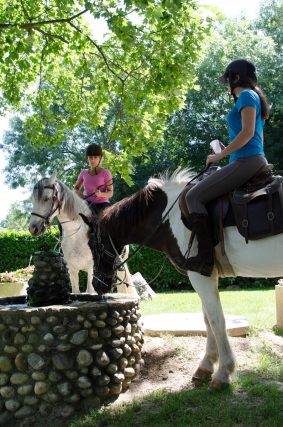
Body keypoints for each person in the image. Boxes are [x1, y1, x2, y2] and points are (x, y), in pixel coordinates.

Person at [181, 58, 270, 276]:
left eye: (227, 80)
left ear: (235, 77)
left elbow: (248, 133)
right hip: (247, 159)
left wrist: (221, 154)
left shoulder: (247, 95)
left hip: (246, 161)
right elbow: (256, 137)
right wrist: (225, 148)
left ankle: (205, 259)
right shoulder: (253, 97)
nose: (226, 86)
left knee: (193, 197)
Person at [74, 144, 113, 214]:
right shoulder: (83, 172)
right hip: (86, 204)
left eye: (95, 157)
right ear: (87, 158)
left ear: (100, 158)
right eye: (90, 157)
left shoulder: (106, 173)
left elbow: (110, 193)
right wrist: (82, 196)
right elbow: (76, 189)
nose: (92, 160)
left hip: (102, 204)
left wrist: (100, 194)